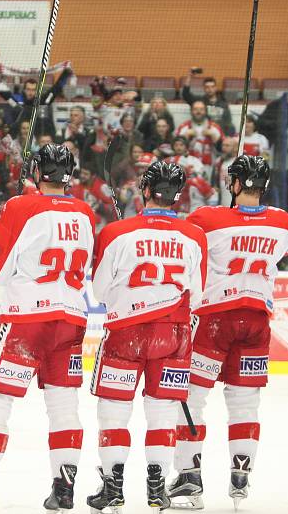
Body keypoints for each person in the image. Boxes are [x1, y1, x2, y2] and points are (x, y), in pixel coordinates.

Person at [0, 144, 96, 514]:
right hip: (71, 319)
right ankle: (65, 488)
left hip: (27, 320)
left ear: (37, 170)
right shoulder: (86, 211)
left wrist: (16, 210)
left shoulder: (20, 206)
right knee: (64, 406)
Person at [169, 155, 288, 510]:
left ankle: (190, 478)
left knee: (192, 399)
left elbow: (181, 243)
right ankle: (241, 476)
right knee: (244, 403)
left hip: (213, 320)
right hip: (256, 321)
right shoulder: (283, 222)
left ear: (234, 184)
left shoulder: (207, 218)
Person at [87, 161, 206, 513]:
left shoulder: (116, 232)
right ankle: (157, 489)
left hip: (126, 334)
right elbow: (196, 295)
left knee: (114, 411)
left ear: (145, 190)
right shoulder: (194, 235)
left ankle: (113, 486)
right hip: (174, 335)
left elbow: (99, 291)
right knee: (163, 413)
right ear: (178, 195)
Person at [175, 101, 223, 172]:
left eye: (201, 109)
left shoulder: (214, 127)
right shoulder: (183, 127)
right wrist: (185, 138)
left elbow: (224, 149)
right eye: (195, 109)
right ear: (191, 111)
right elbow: (176, 149)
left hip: (209, 166)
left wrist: (215, 138)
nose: (198, 111)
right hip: (188, 166)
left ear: (205, 111)